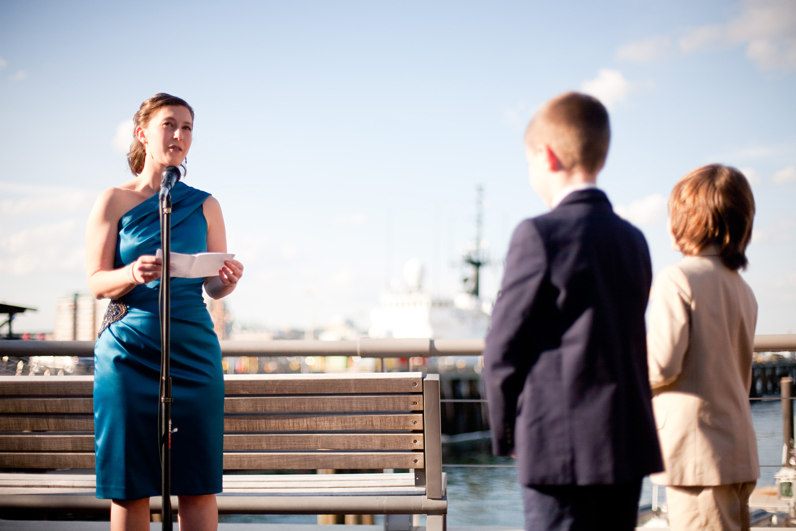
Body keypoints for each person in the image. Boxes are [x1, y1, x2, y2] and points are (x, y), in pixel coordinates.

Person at [482, 91, 663, 531]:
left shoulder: (538, 235)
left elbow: (501, 349)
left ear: (546, 155)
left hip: (557, 450)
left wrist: (508, 436)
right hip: (624, 445)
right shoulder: (634, 239)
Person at [86, 93, 244, 531]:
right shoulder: (113, 200)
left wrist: (225, 281)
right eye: (169, 124)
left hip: (193, 350)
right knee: (130, 486)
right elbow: (97, 281)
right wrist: (132, 272)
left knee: (197, 483)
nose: (179, 135)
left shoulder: (206, 204)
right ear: (142, 133)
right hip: (127, 352)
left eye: (188, 127)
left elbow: (212, 285)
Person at [647, 164, 758, 531]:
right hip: (737, 451)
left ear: (687, 221)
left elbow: (661, 364)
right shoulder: (743, 289)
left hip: (697, 457)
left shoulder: (677, 278)